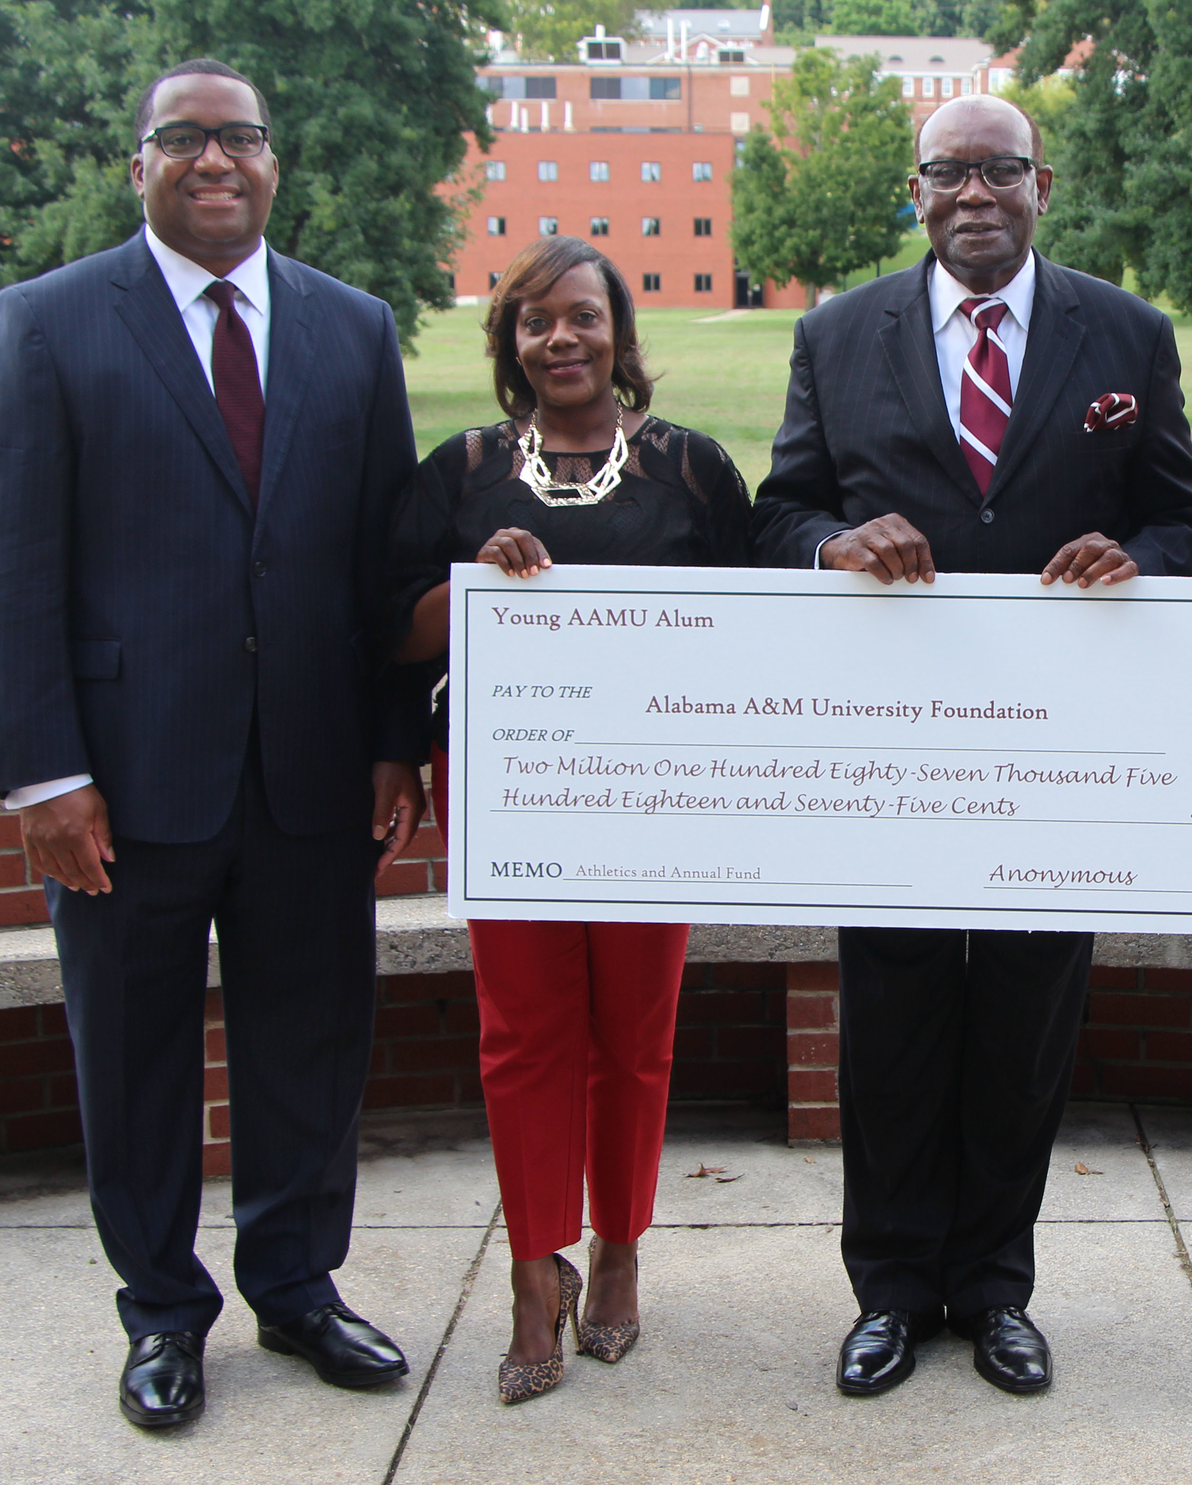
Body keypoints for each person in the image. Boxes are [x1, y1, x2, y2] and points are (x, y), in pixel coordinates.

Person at [0, 59, 430, 1428]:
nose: (214, 161)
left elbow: (380, 564)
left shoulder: (352, 326)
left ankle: (297, 1286)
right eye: (184, 139)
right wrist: (43, 770)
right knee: (137, 1054)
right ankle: (162, 1311)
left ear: (276, 164)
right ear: (140, 165)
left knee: (309, 1045)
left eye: (240, 140)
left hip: (309, 773)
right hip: (122, 777)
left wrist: (394, 741)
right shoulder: (47, 322)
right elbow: (13, 557)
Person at [750, 93, 1192, 1398]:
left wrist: (1144, 560)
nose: (974, 194)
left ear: (1043, 185)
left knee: (1024, 1032)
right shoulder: (838, 334)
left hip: (1056, 764)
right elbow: (783, 511)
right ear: (915, 191)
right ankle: (893, 1292)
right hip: (889, 758)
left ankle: (997, 1290)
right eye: (949, 173)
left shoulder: (1123, 332)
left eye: (998, 171)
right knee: (891, 1026)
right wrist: (835, 546)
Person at [384, 235, 750, 1405]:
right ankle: (533, 1272)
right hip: (513, 803)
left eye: (582, 317)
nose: (562, 339)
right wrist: (470, 580)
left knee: (635, 1038)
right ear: (509, 345)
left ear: (619, 336)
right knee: (524, 1038)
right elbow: (392, 634)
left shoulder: (693, 473)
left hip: (656, 808)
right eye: (535, 322)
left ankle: (621, 1250)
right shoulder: (463, 472)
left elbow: (755, 637)